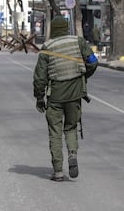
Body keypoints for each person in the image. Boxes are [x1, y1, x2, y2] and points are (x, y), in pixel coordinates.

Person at [33, 15, 98, 182]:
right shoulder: (78, 41)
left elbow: (40, 78)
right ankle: (72, 154)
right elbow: (93, 61)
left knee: (55, 132)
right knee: (71, 127)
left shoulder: (47, 47)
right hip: (75, 94)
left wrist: (40, 99)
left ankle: (58, 171)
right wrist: (83, 77)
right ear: (67, 27)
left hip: (55, 96)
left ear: (53, 29)